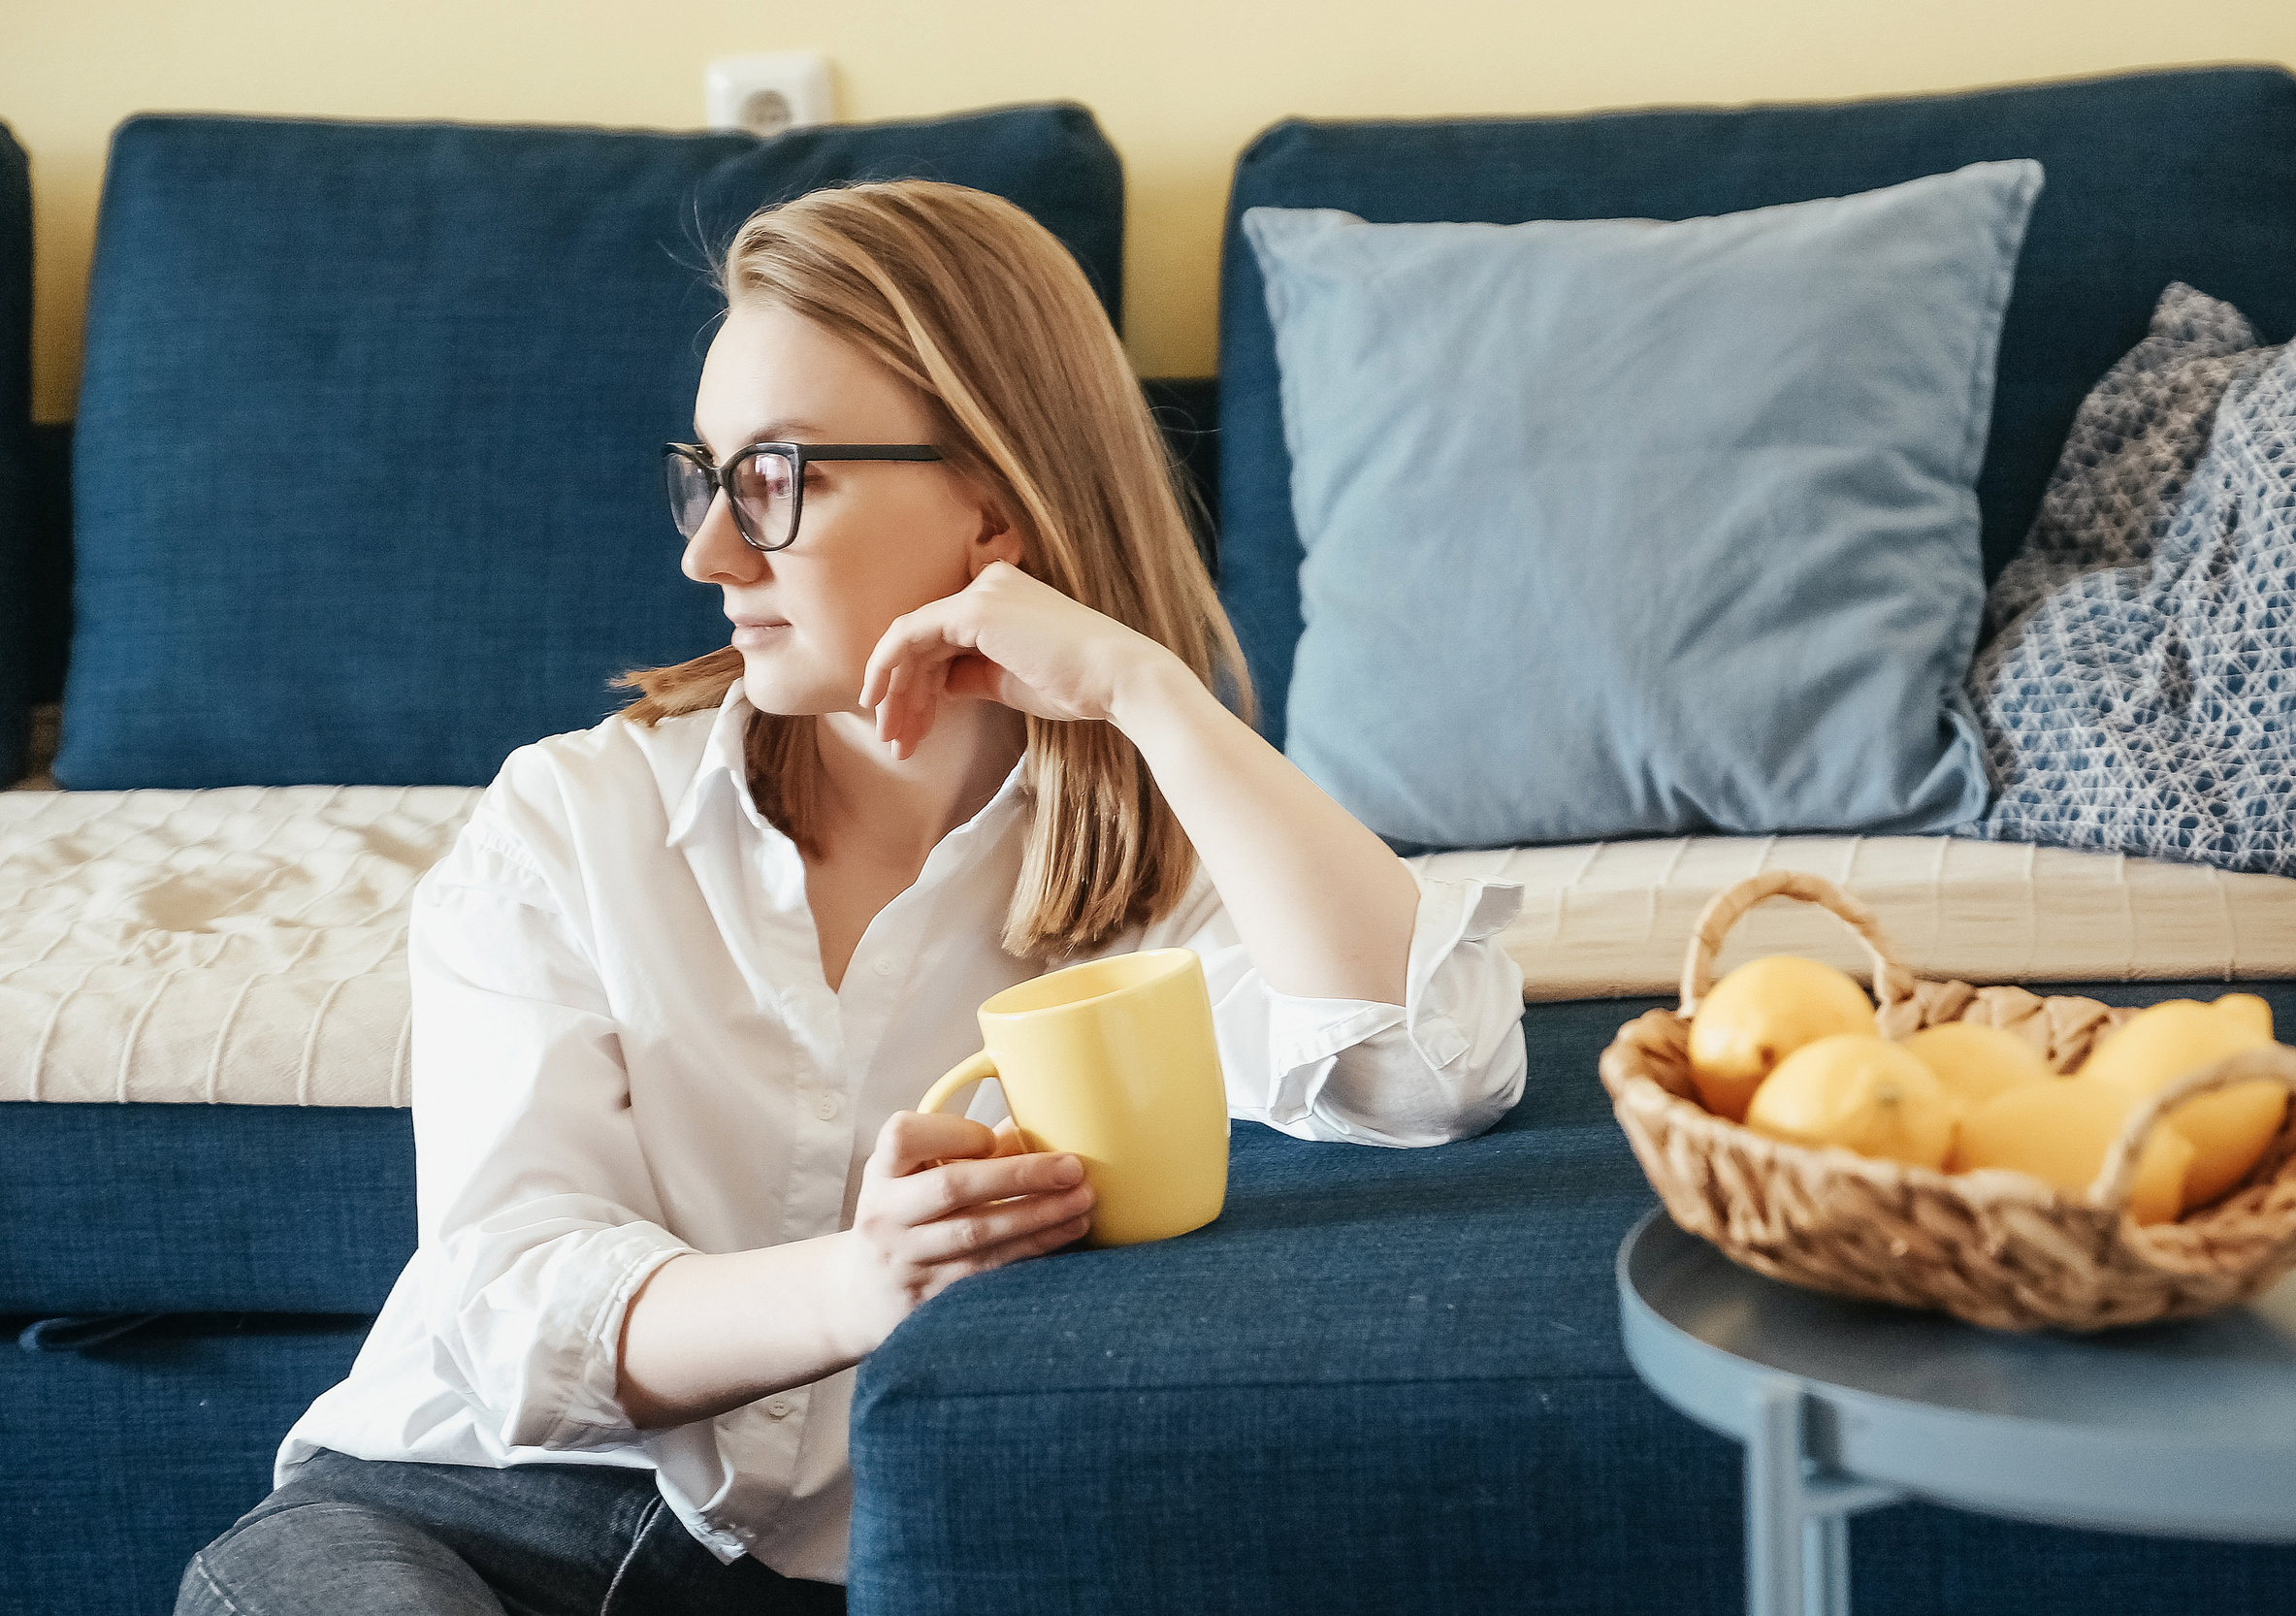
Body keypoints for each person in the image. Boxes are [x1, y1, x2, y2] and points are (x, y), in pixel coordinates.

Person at [177, 179, 1527, 1616]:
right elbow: (506, 1305)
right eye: (708, 479)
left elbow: (1421, 1064)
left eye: (777, 479)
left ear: (994, 512)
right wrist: (861, 1281)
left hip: (862, 1572)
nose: (706, 554)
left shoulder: (1167, 882)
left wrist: (1147, 688)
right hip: (457, 1522)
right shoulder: (575, 818)